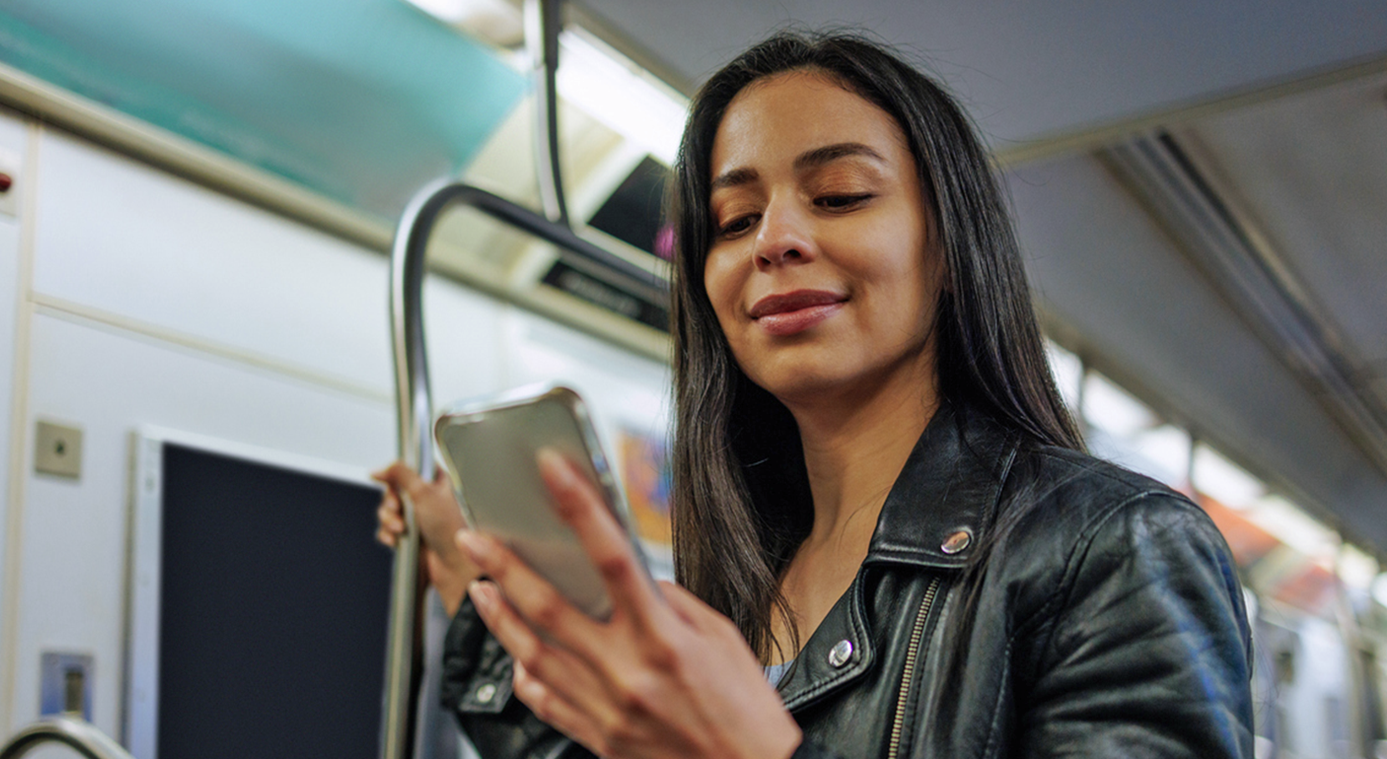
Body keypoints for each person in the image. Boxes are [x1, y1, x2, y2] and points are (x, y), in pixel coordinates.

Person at [375, 30, 1253, 759]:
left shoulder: (1108, 549)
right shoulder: (747, 576)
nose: (777, 240)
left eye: (838, 196)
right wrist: (477, 590)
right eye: (734, 221)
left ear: (949, 250)